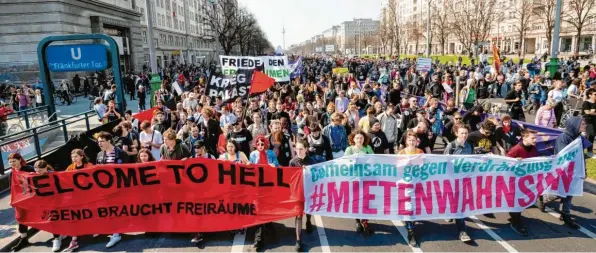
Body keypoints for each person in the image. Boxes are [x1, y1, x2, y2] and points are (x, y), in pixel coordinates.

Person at [538, 116, 585, 229]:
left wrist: (583, 170)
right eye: (582, 124)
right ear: (575, 125)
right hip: (562, 171)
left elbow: (580, 156)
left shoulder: (578, 138)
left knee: (570, 192)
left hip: (573, 170)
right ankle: (542, 199)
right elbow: (564, 156)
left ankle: (565, 214)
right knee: (559, 192)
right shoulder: (563, 138)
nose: (585, 125)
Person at [94, 131, 129, 248]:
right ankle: (115, 231)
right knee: (109, 210)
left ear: (109, 141)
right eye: (98, 142)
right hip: (105, 188)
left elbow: (129, 170)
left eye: (102, 141)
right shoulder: (99, 155)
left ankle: (117, 233)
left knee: (117, 209)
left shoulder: (121, 153)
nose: (100, 144)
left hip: (119, 188)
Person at [506, 128, 539, 236]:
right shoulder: (516, 149)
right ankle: (516, 222)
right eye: (533, 138)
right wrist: (514, 161)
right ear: (524, 137)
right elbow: (505, 162)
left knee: (522, 201)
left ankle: (516, 217)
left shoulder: (534, 148)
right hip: (514, 181)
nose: (535, 140)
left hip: (526, 181)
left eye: (536, 138)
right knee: (516, 201)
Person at [443, 123, 473, 242]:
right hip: (452, 180)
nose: (464, 135)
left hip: (464, 180)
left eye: (466, 133)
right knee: (454, 201)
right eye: (462, 133)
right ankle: (461, 229)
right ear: (456, 133)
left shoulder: (469, 146)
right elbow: (444, 162)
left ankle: (462, 230)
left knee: (460, 204)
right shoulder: (451, 146)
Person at [343, 130, 374, 234]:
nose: (359, 140)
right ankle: (357, 220)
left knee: (365, 199)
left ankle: (364, 220)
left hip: (365, 177)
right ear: (353, 139)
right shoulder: (349, 149)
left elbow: (374, 160)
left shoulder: (368, 148)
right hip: (354, 178)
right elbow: (345, 162)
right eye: (357, 138)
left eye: (361, 138)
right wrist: (353, 161)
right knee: (356, 199)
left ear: (364, 139)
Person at [396, 130, 423, 246]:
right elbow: (397, 168)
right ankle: (410, 231)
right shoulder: (401, 153)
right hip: (406, 183)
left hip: (417, 183)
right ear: (406, 142)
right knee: (408, 206)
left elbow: (423, 167)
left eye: (413, 140)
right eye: (410, 140)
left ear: (417, 141)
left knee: (415, 205)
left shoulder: (420, 151)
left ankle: (411, 223)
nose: (412, 142)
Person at [289, 139, 316, 252]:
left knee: (309, 209)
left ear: (306, 149)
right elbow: (289, 178)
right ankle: (298, 240)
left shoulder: (311, 161)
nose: (299, 151)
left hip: (309, 191)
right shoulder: (292, 162)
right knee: (299, 215)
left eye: (301, 149)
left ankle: (309, 221)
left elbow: (316, 176)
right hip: (298, 192)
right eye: (297, 149)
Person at [9, 153, 35, 252]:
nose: (12, 164)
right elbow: (12, 188)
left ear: (20, 160)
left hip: (33, 197)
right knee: (21, 217)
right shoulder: (12, 172)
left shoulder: (29, 169)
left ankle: (56, 236)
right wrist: (12, 199)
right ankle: (24, 238)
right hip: (21, 198)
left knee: (43, 214)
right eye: (10, 162)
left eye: (14, 161)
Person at [582, 88, 596, 155]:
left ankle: (590, 150)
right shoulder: (586, 102)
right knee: (590, 135)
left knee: (593, 136)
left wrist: (592, 112)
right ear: (590, 95)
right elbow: (587, 112)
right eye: (595, 94)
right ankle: (589, 151)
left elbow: (592, 111)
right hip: (588, 121)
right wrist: (592, 112)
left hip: (594, 121)